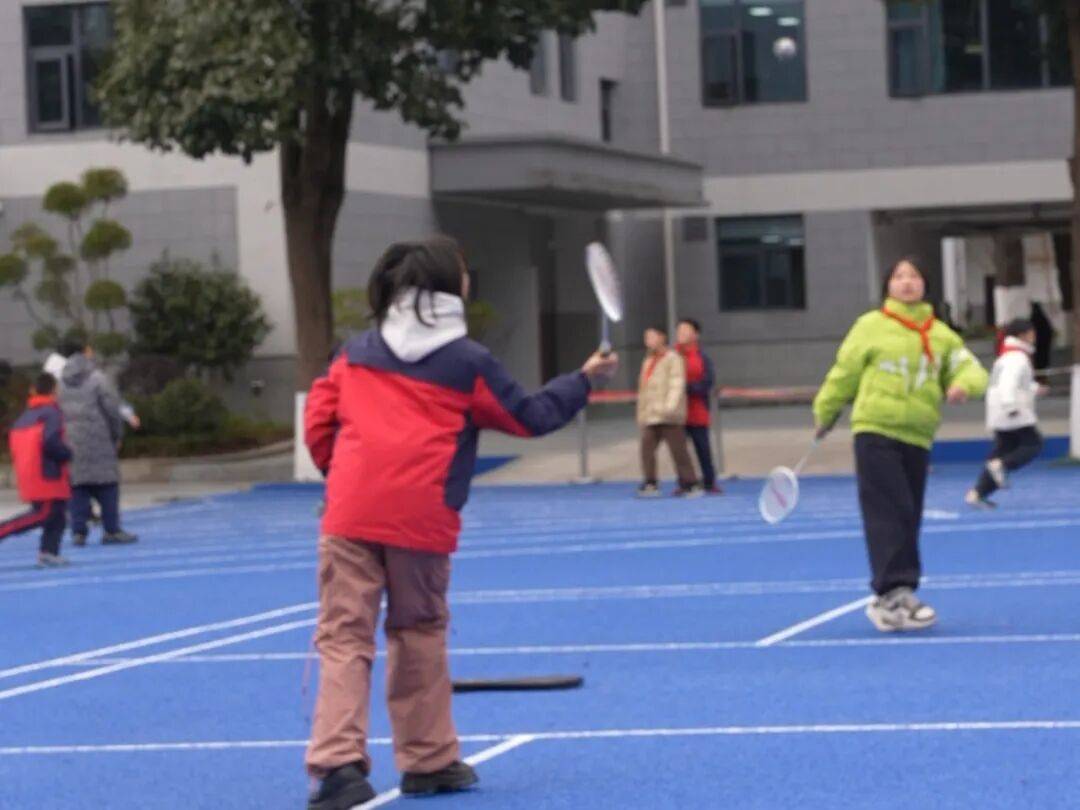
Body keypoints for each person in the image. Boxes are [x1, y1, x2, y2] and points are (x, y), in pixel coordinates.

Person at [303, 236, 618, 809]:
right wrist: (582, 380)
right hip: (422, 518)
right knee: (418, 631)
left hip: (349, 514)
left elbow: (318, 422)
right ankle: (428, 760)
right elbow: (530, 416)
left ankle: (337, 769)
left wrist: (344, 477)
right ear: (452, 286)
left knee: (344, 637)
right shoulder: (468, 362)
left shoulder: (353, 354)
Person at [813, 257, 988, 633]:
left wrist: (963, 385)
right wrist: (825, 411)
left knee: (909, 513)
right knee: (889, 511)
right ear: (888, 285)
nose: (907, 282)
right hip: (876, 430)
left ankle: (894, 597)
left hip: (917, 434)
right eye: (899, 276)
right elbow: (844, 372)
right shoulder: (870, 326)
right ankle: (894, 592)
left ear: (925, 285)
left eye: (914, 276)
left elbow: (970, 367)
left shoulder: (940, 334)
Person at [58, 340, 138, 546]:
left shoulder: (60, 382)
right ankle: (111, 529)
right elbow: (112, 409)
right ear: (85, 352)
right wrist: (117, 435)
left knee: (78, 486)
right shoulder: (98, 378)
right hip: (99, 439)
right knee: (107, 485)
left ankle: (78, 532)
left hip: (71, 440)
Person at [966, 318, 1047, 509]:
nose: (1034, 336)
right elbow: (1008, 383)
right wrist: (1011, 406)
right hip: (1011, 409)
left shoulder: (1008, 355)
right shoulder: (1016, 358)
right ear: (1023, 335)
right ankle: (1002, 466)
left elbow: (1017, 383)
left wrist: (1035, 389)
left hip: (999, 410)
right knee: (1032, 444)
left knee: (1003, 450)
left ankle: (978, 493)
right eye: (1031, 333)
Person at [1, 373, 72, 567]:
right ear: (54, 390)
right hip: (47, 473)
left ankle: (49, 552)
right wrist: (66, 453)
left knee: (57, 514)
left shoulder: (28, 414)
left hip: (31, 471)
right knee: (42, 514)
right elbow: (50, 441)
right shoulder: (52, 413)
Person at [636, 326, 701, 498]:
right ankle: (650, 482)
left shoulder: (673, 358)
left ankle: (690, 483)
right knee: (646, 450)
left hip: (669, 416)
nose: (648, 341)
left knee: (678, 451)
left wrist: (669, 408)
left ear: (662, 337)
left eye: (651, 337)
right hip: (650, 415)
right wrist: (641, 413)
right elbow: (643, 390)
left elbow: (676, 384)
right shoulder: (648, 361)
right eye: (646, 338)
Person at [676, 318, 722, 494]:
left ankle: (709, 481)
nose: (681, 333)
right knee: (680, 451)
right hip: (676, 412)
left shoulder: (702, 358)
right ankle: (685, 482)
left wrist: (687, 388)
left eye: (686, 330)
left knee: (703, 449)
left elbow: (708, 381)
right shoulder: (672, 356)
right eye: (679, 330)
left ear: (696, 334)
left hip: (697, 410)